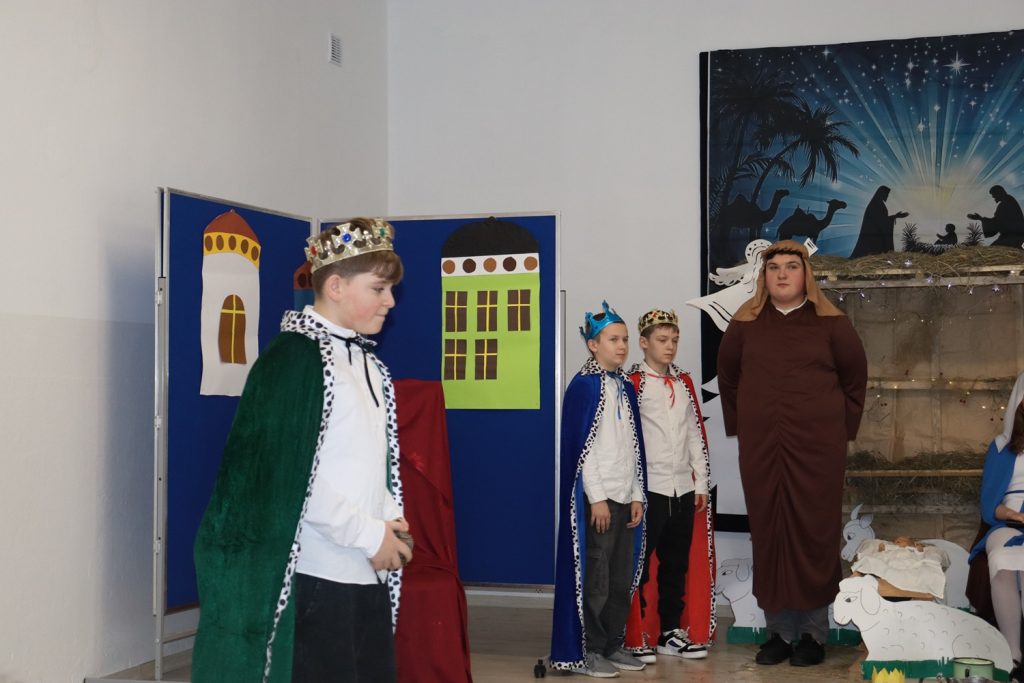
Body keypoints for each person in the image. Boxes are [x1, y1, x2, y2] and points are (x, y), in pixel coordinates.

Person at [191, 218, 413, 683]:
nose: (390, 301)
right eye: (378, 289)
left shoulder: (370, 365)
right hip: (317, 576)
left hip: (365, 567)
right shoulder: (294, 360)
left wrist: (389, 524)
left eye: (390, 289)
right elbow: (289, 479)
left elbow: (376, 461)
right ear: (335, 286)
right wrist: (368, 535)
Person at [716, 239, 867, 667]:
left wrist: (837, 431)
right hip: (763, 448)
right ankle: (779, 634)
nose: (782, 274)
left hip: (818, 449)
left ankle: (813, 637)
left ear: (806, 274)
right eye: (774, 267)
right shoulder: (744, 325)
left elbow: (854, 380)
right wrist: (748, 425)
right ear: (763, 277)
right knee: (770, 532)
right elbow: (729, 379)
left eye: (791, 266)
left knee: (814, 533)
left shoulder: (833, 325)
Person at [550, 301, 647, 678]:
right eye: (613, 339)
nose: (622, 346)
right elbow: (583, 450)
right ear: (593, 345)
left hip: (624, 498)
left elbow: (633, 447)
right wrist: (598, 497)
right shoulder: (584, 387)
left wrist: (636, 493)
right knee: (597, 580)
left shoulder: (624, 387)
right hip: (600, 502)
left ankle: (611, 644)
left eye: (625, 339)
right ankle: (588, 650)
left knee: (621, 578)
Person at [624, 309, 716, 663]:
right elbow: (628, 440)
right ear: (644, 343)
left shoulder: (683, 383)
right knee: (640, 564)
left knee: (675, 565)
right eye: (662, 340)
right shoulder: (634, 384)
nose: (670, 347)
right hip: (650, 489)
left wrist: (701, 483)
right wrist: (633, 489)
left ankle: (670, 633)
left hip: (682, 488)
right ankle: (636, 634)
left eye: (675, 340)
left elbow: (694, 435)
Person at [970, 372, 1024, 683]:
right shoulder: (1002, 446)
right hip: (1006, 522)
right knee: (1002, 561)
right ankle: (1012, 655)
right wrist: (1015, 515)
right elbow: (990, 504)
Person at [849, 185, 909, 258]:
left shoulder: (878, 203)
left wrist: (895, 216)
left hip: (876, 234)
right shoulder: (876, 204)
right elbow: (880, 220)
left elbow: (881, 219)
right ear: (881, 193)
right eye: (886, 194)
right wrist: (895, 216)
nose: (887, 196)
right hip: (872, 236)